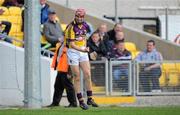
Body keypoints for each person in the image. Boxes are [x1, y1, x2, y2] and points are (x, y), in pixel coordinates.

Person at [64, 8, 98, 110]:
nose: (79, 18)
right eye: (78, 16)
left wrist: (88, 48)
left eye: (81, 16)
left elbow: (85, 38)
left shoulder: (86, 25)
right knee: (77, 76)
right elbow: (72, 44)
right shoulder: (71, 27)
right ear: (75, 16)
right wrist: (83, 50)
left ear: (84, 17)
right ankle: (81, 101)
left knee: (88, 74)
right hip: (73, 52)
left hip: (82, 50)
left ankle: (90, 98)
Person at [49, 41, 77, 107]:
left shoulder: (70, 46)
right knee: (57, 87)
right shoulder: (61, 45)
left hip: (66, 70)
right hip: (61, 69)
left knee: (69, 87)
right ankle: (55, 103)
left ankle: (73, 103)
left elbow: (72, 59)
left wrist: (70, 72)